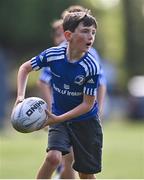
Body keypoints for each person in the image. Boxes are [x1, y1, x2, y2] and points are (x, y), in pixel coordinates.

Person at [14, 11, 103, 179]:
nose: (90, 36)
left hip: (86, 123)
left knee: (85, 174)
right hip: (59, 115)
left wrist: (57, 119)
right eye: (85, 31)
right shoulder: (52, 55)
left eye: (93, 32)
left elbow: (87, 105)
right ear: (68, 35)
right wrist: (20, 97)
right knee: (52, 158)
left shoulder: (91, 66)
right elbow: (24, 68)